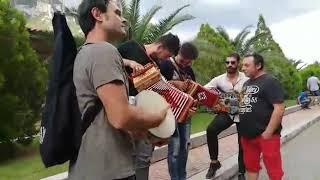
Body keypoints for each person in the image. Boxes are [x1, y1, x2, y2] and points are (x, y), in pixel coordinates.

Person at [69, 1, 169, 179]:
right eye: (117, 13)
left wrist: (145, 132)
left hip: (87, 166)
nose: (123, 19)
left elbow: (105, 116)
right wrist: (158, 118)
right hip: (109, 170)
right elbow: (121, 117)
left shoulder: (83, 53)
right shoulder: (104, 52)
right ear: (97, 14)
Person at [117, 34, 180, 180]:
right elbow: (106, 58)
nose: (166, 59)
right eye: (167, 55)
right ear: (160, 47)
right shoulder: (131, 46)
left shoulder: (156, 66)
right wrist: (130, 63)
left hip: (143, 115)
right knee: (126, 158)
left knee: (144, 158)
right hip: (124, 111)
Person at [239, 53, 285, 180]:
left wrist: (268, 132)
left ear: (258, 65)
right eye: (243, 65)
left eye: (247, 65)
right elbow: (242, 105)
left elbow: (279, 108)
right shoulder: (246, 84)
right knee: (250, 167)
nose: (243, 68)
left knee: (273, 170)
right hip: (247, 136)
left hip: (266, 135)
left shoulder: (271, 81)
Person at [203, 53, 248, 180]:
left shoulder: (246, 78)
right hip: (228, 113)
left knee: (242, 143)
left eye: (233, 62)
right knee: (211, 130)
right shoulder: (219, 79)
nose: (230, 65)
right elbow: (205, 90)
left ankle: (241, 172)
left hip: (244, 113)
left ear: (238, 63)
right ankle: (214, 163)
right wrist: (216, 101)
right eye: (227, 62)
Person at [159, 42, 198, 180]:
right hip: (171, 114)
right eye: (182, 61)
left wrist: (194, 103)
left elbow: (194, 92)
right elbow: (155, 86)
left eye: (187, 63)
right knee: (175, 149)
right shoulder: (165, 65)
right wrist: (174, 83)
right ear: (177, 53)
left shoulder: (189, 70)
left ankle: (183, 177)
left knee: (185, 147)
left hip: (186, 115)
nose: (184, 64)